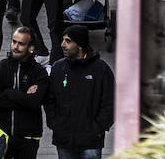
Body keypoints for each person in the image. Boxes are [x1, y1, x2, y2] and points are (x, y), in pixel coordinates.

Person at [44, 26, 114, 159]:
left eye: (68, 41)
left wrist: (98, 128)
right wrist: (55, 123)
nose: (62, 45)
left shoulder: (100, 69)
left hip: (91, 142)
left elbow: (110, 102)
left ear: (80, 45)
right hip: (64, 140)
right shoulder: (58, 68)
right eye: (63, 40)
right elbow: (49, 99)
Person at [0, 26, 49, 159]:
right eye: (14, 42)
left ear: (31, 47)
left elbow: (34, 102)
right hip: (2, 136)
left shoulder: (39, 72)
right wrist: (24, 96)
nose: (15, 46)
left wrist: (8, 93)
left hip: (28, 138)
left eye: (21, 44)